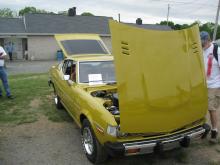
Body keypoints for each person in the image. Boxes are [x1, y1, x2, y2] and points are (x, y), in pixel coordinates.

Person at [200, 31, 219, 143]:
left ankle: (214, 131)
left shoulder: (217, 50)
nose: (201, 44)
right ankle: (204, 129)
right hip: (202, 85)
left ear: (208, 40)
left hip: (214, 85)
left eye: (203, 41)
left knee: (212, 109)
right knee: (201, 108)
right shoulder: (201, 51)